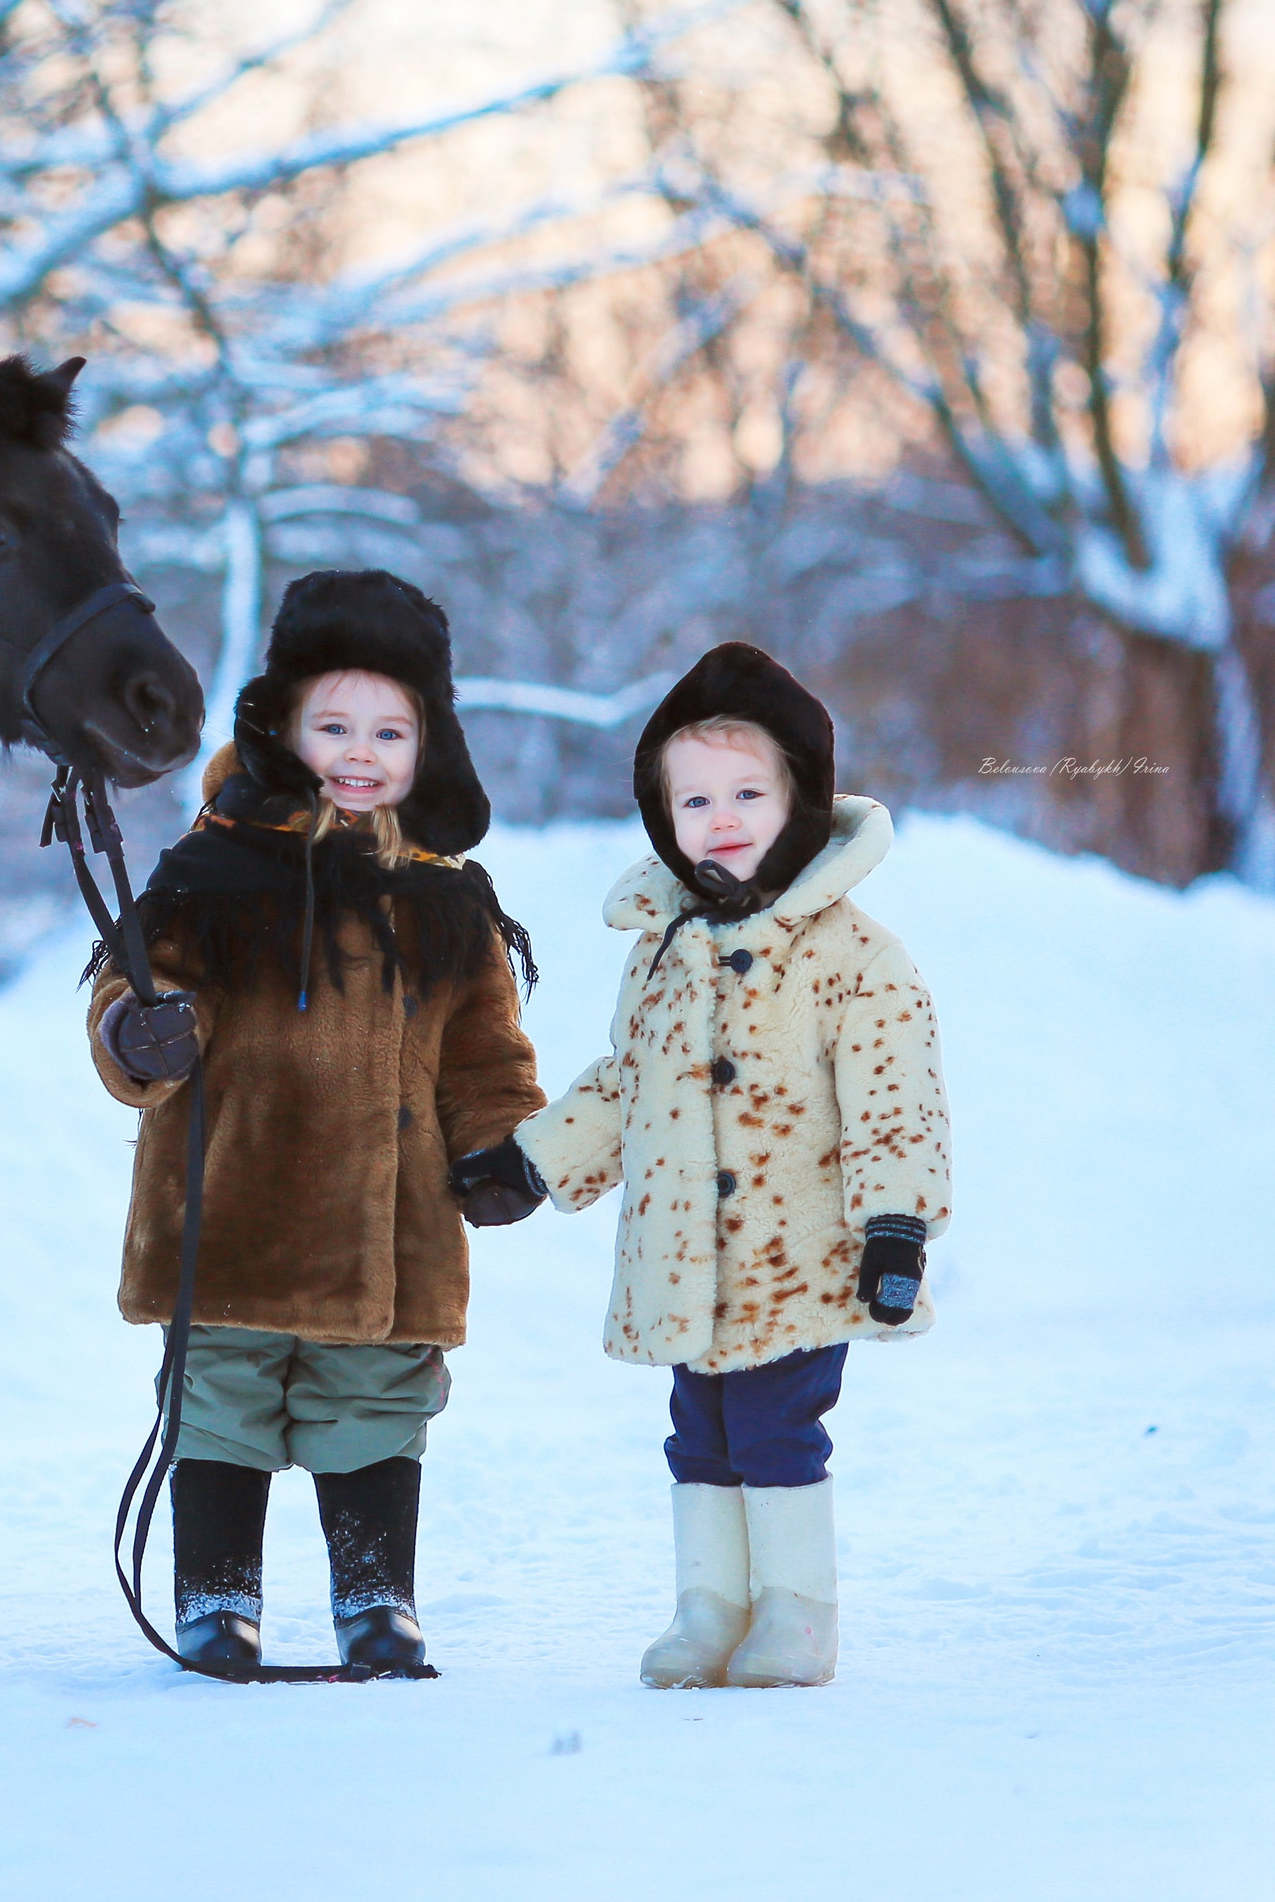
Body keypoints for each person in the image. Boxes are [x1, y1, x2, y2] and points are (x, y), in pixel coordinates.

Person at [456, 642, 953, 1688]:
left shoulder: (851, 953)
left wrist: (895, 1227)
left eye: (746, 792)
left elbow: (894, 1095)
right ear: (662, 817)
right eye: (694, 800)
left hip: (798, 1258)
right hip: (687, 1259)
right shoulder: (661, 950)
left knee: (777, 1429)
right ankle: (710, 1607)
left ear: (798, 798)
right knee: (698, 1435)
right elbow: (628, 1083)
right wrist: (533, 1163)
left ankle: (796, 1615)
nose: (720, 817)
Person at [87, 570, 544, 1679]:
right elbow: (134, 989)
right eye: (333, 726)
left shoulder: (446, 899)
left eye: (389, 731)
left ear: (428, 746)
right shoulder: (209, 872)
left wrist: (497, 1143)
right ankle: (218, 1600)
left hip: (387, 1227)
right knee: (220, 1402)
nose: (359, 752)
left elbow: (484, 1051)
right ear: (282, 729)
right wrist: (141, 1032)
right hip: (228, 1209)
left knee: (375, 1403)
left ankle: (376, 1599)